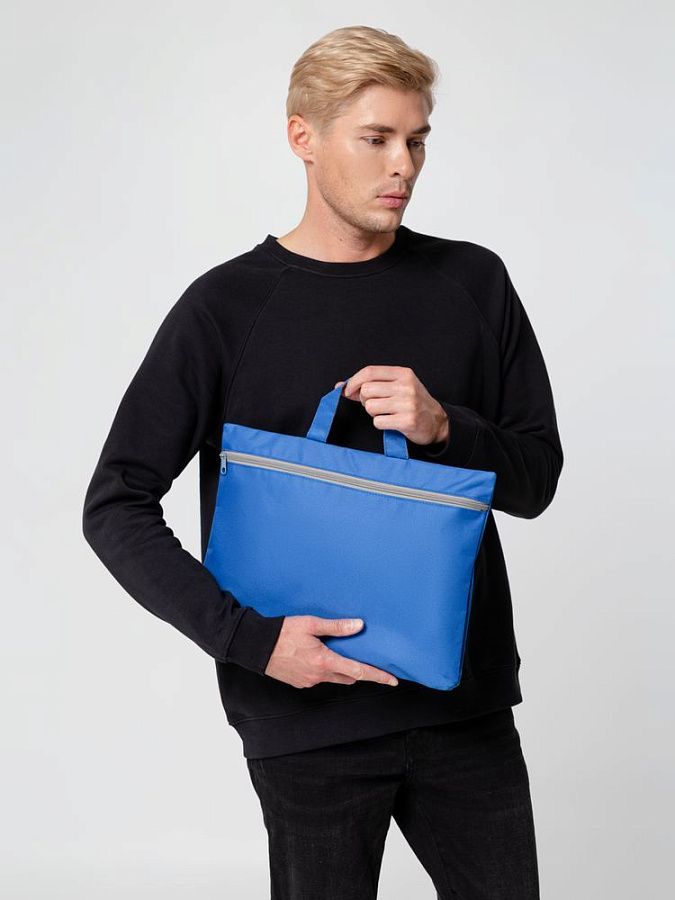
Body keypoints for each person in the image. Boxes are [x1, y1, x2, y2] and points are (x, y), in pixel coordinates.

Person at [82, 24, 563, 900]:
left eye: (416, 141)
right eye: (375, 138)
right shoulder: (226, 307)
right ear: (302, 137)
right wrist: (252, 642)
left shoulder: (472, 282)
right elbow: (116, 504)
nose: (402, 167)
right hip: (302, 718)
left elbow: (536, 480)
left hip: (465, 710)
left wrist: (445, 429)